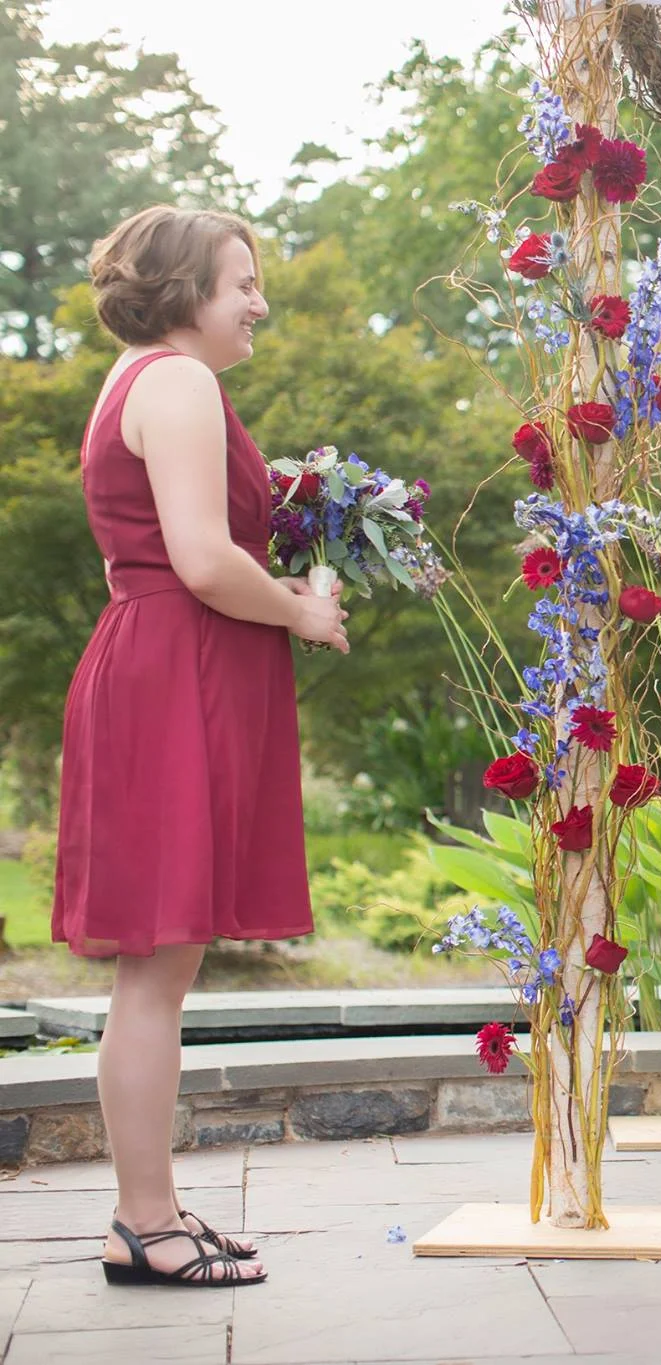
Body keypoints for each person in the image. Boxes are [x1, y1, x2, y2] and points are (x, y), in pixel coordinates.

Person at [56, 206, 350, 1288]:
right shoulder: (177, 384)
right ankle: (142, 1223)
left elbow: (134, 564)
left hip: (167, 669)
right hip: (175, 674)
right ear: (185, 292)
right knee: (154, 972)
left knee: (161, 968)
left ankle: (155, 1207)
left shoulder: (137, 380)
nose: (259, 302)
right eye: (243, 282)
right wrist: (300, 610)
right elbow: (197, 559)